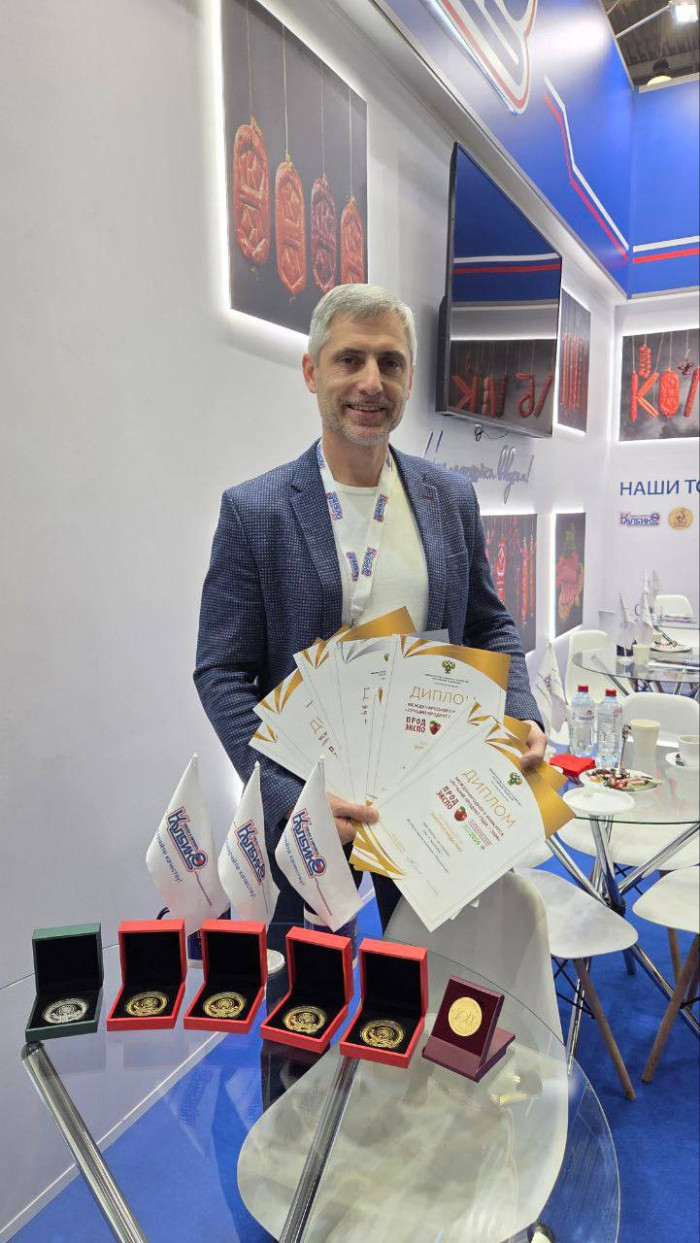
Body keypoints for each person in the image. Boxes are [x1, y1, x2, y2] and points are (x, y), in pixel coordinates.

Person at [194, 284, 546, 930]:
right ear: (311, 372)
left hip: (430, 799)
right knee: (301, 986)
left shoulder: (450, 499)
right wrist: (288, 796)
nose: (370, 382)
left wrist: (520, 710)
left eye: (390, 362)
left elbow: (489, 622)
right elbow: (221, 670)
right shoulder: (255, 511)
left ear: (408, 379)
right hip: (309, 809)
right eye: (349, 359)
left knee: (429, 979)